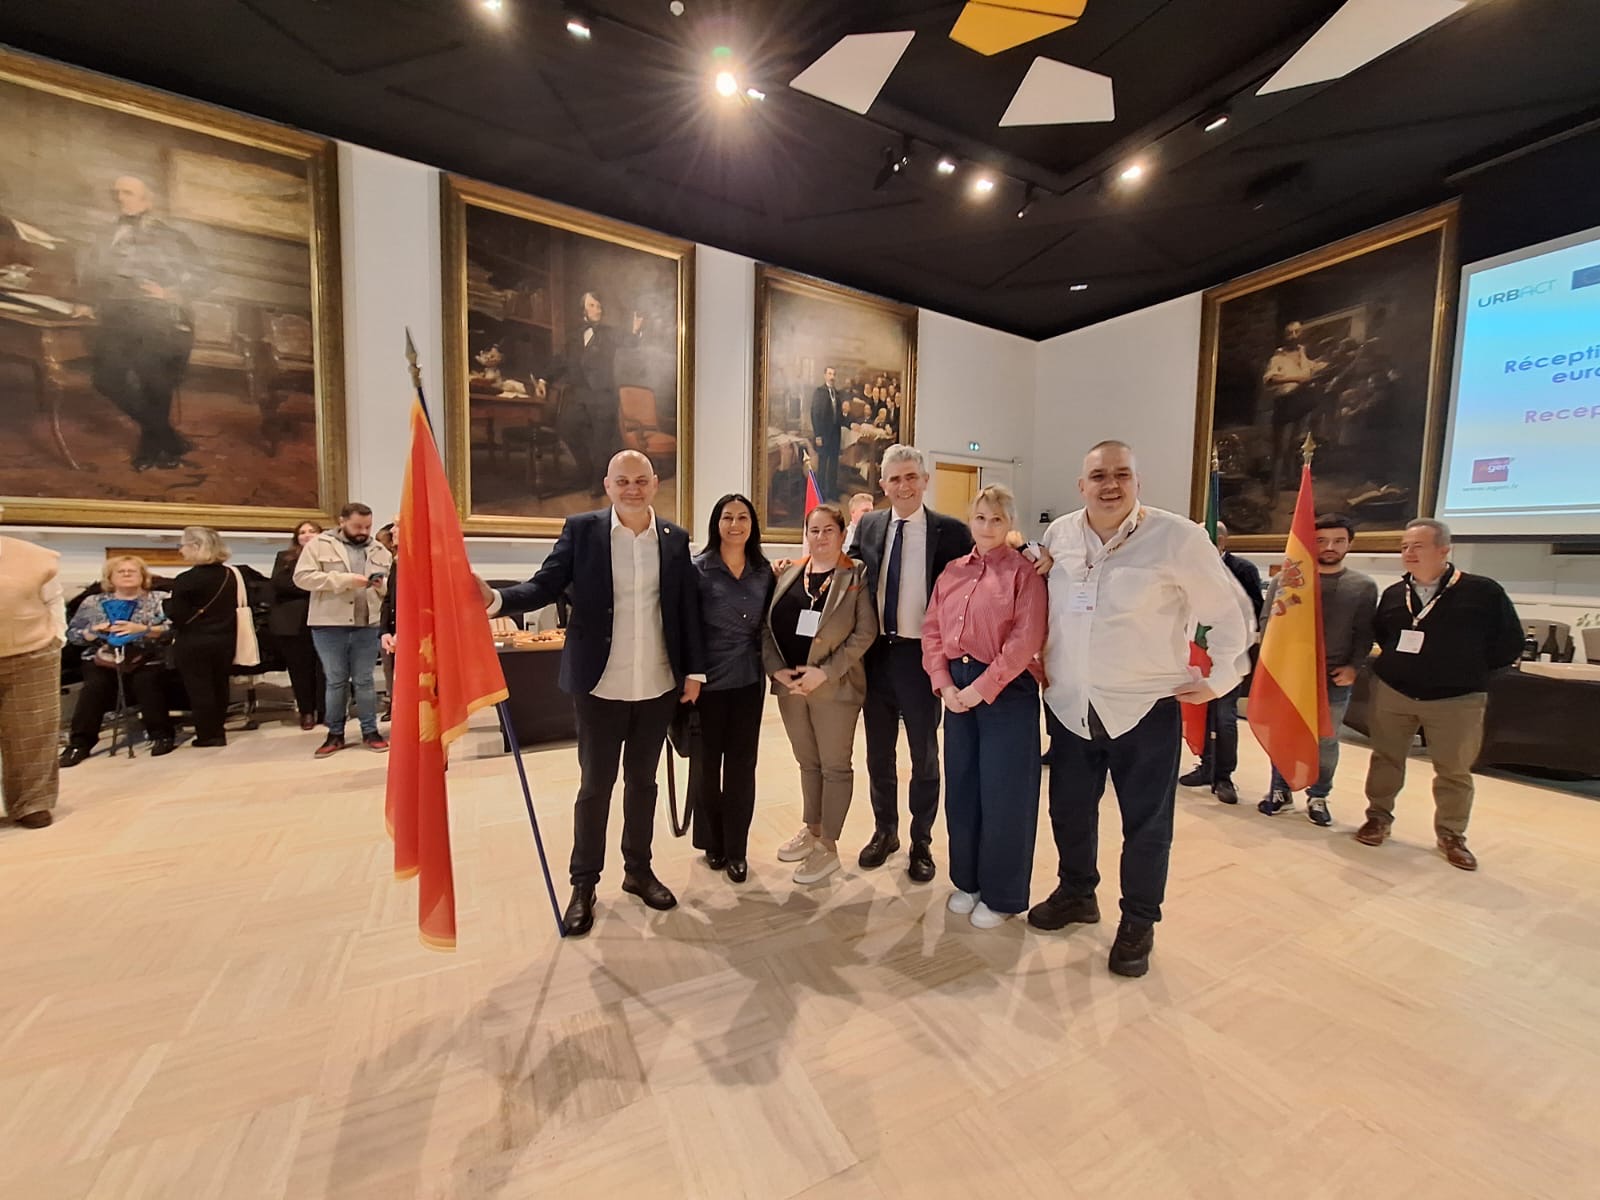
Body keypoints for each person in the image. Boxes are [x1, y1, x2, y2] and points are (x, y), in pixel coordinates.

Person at [1028, 441, 1249, 978]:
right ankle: (1077, 892)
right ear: (1081, 485)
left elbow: (1230, 613)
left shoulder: (1178, 538)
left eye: (1121, 474)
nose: (1110, 485)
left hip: (1144, 709)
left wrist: (1220, 679)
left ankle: (1138, 921)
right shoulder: (1061, 535)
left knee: (1146, 824)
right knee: (1069, 812)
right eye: (1099, 475)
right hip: (1070, 705)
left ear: (1137, 482)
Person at [478, 449, 705, 936]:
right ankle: (583, 884)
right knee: (595, 787)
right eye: (623, 481)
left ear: (655, 483)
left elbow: (685, 608)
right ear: (607, 485)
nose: (632, 489)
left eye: (640, 480)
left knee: (643, 783)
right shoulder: (583, 531)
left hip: (657, 683)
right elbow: (544, 586)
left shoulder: (674, 539)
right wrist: (496, 600)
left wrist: (695, 671)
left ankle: (638, 870)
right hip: (600, 683)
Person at [1356, 519, 1522, 870]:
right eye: (1404, 546)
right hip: (1394, 692)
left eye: (1418, 546)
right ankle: (1378, 818)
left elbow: (1508, 644)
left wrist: (1465, 672)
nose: (1409, 553)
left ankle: (1451, 834)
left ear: (1444, 550)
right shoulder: (1394, 593)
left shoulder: (1483, 592)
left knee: (1454, 770)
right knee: (1386, 759)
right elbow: (1385, 635)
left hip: (1456, 699)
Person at [922, 485, 1047, 928]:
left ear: (1009, 523)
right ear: (970, 521)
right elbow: (932, 630)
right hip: (956, 690)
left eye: (997, 519)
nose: (988, 526)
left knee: (1004, 793)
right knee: (963, 788)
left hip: (1005, 690)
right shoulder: (953, 571)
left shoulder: (1024, 574)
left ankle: (1002, 895)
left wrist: (980, 689)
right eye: (980, 518)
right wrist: (943, 683)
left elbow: (1025, 640)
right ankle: (968, 881)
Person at [848, 445, 974, 882]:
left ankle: (922, 841)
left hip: (924, 658)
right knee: (878, 753)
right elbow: (846, 571)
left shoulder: (952, 532)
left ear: (925, 481)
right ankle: (886, 831)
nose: (903, 486)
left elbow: (983, 570)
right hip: (876, 655)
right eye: (894, 479)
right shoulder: (868, 525)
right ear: (883, 484)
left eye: (911, 477)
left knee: (924, 755)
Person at [766, 502, 877, 884]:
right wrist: (776, 670)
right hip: (791, 688)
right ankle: (812, 829)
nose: (821, 537)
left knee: (834, 766)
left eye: (829, 530)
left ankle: (828, 846)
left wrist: (825, 672)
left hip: (835, 688)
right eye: (814, 530)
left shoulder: (855, 574)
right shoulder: (789, 572)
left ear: (843, 534)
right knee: (807, 763)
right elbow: (765, 627)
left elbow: (865, 633)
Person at [75, 175, 211, 472]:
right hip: (115, 317)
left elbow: (205, 277)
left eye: (128, 193)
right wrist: (85, 302)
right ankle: (168, 438)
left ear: (148, 200)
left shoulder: (173, 237)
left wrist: (170, 293)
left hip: (159, 317)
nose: (120, 198)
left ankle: (151, 449)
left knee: (154, 381)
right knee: (105, 379)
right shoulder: (107, 235)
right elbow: (91, 274)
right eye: (117, 193)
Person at [1259, 513, 1378, 825]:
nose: (1329, 547)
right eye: (1321, 540)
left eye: (1338, 541)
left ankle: (1319, 795)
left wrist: (1353, 667)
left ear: (1349, 544)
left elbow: (1365, 632)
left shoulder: (1362, 586)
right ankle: (1280, 789)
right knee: (1284, 734)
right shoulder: (1286, 581)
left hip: (1333, 679)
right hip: (1290, 676)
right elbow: (1268, 623)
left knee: (1326, 740)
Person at [689, 494, 775, 883]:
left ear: (752, 525)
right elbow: (686, 626)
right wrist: (688, 674)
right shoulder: (698, 569)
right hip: (706, 682)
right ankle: (713, 843)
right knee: (707, 766)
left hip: (748, 681)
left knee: (742, 767)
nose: (735, 525)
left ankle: (737, 849)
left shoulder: (764, 571)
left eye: (743, 518)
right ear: (716, 523)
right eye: (728, 517)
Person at [295, 503, 393, 758]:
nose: (363, 531)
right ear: (342, 522)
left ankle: (370, 731)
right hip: (329, 623)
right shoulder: (319, 545)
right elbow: (302, 577)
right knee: (336, 680)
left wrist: (380, 585)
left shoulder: (380, 550)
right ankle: (335, 733)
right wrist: (343, 580)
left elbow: (390, 589)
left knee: (364, 680)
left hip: (367, 624)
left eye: (367, 527)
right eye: (357, 526)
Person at [1178, 520, 1262, 804]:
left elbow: (1252, 611)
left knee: (1225, 718)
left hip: (1229, 657)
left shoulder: (1242, 569)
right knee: (1200, 713)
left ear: (1221, 541)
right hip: (1196, 652)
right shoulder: (1188, 568)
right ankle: (1205, 765)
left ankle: (1224, 776)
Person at [60, 555, 174, 764]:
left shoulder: (159, 599)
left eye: (132, 571)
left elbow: (172, 629)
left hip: (146, 656)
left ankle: (162, 735)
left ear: (143, 576)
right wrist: (92, 632)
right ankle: (79, 744)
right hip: (103, 657)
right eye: (121, 571)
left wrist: (143, 629)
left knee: (147, 682)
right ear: (110, 578)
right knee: (94, 687)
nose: (127, 574)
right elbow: (73, 634)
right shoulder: (92, 602)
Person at [535, 290, 645, 497]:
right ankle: (585, 471)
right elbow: (560, 361)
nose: (598, 309)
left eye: (599, 306)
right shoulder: (574, 337)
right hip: (579, 395)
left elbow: (629, 341)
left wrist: (636, 331)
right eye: (592, 305)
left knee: (601, 441)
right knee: (566, 428)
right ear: (583, 310)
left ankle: (598, 481)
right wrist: (543, 379)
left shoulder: (609, 333)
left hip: (603, 397)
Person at [0, 529, 65, 828]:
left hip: (32, 653)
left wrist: (58, 637)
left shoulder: (35, 556)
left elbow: (54, 600)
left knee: (33, 731)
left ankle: (32, 803)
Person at [165, 526, 240, 749]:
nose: (180, 550)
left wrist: (166, 606)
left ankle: (208, 735)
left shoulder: (186, 579)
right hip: (225, 639)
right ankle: (219, 730)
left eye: (182, 545)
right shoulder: (230, 575)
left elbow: (178, 616)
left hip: (194, 641)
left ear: (196, 546)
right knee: (220, 686)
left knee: (199, 689)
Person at [270, 520, 325, 731]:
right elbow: (280, 584)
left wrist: (311, 583)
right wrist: (314, 584)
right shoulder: (285, 557)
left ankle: (325, 710)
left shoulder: (328, 556)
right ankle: (306, 711)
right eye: (302, 532)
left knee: (324, 669)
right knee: (300, 669)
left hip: (323, 618)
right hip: (292, 622)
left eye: (311, 531)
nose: (306, 535)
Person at [810, 366, 844, 502]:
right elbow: (815, 414)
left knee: (834, 465)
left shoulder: (837, 393)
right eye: (829, 374)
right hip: (823, 435)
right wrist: (818, 435)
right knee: (823, 465)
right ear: (825, 375)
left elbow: (839, 415)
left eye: (834, 374)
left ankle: (832, 493)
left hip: (835, 434)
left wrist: (850, 422)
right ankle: (821, 494)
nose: (832, 377)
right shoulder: (819, 392)